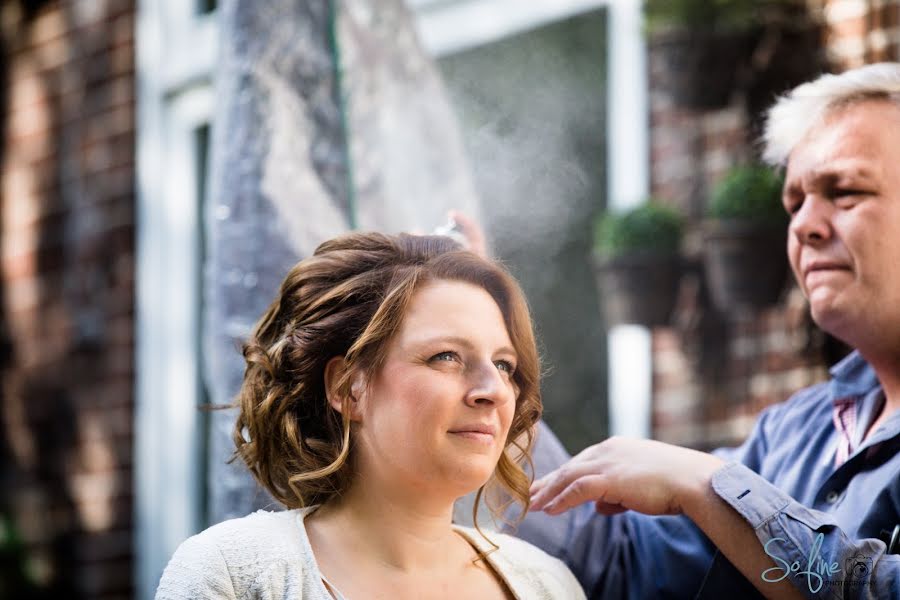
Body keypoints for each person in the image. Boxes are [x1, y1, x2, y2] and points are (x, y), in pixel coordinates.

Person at [517, 63, 900, 598]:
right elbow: (622, 564)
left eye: (846, 191)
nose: (804, 225)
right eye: (794, 202)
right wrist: (483, 386)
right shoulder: (792, 431)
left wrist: (709, 487)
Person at [155, 232, 585, 599]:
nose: (493, 390)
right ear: (348, 387)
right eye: (447, 356)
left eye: (505, 365)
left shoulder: (547, 585)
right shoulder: (235, 576)